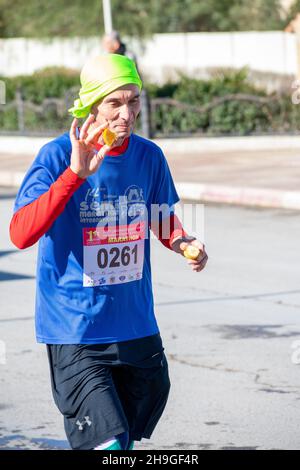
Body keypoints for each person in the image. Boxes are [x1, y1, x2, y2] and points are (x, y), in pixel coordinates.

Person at [9, 53, 208, 451]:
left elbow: (160, 216)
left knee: (125, 441)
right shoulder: (55, 157)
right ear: (92, 105)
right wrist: (74, 176)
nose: (127, 113)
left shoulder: (149, 156)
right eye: (115, 102)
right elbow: (20, 233)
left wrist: (183, 241)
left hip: (135, 324)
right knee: (109, 444)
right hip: (76, 329)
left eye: (133, 100)